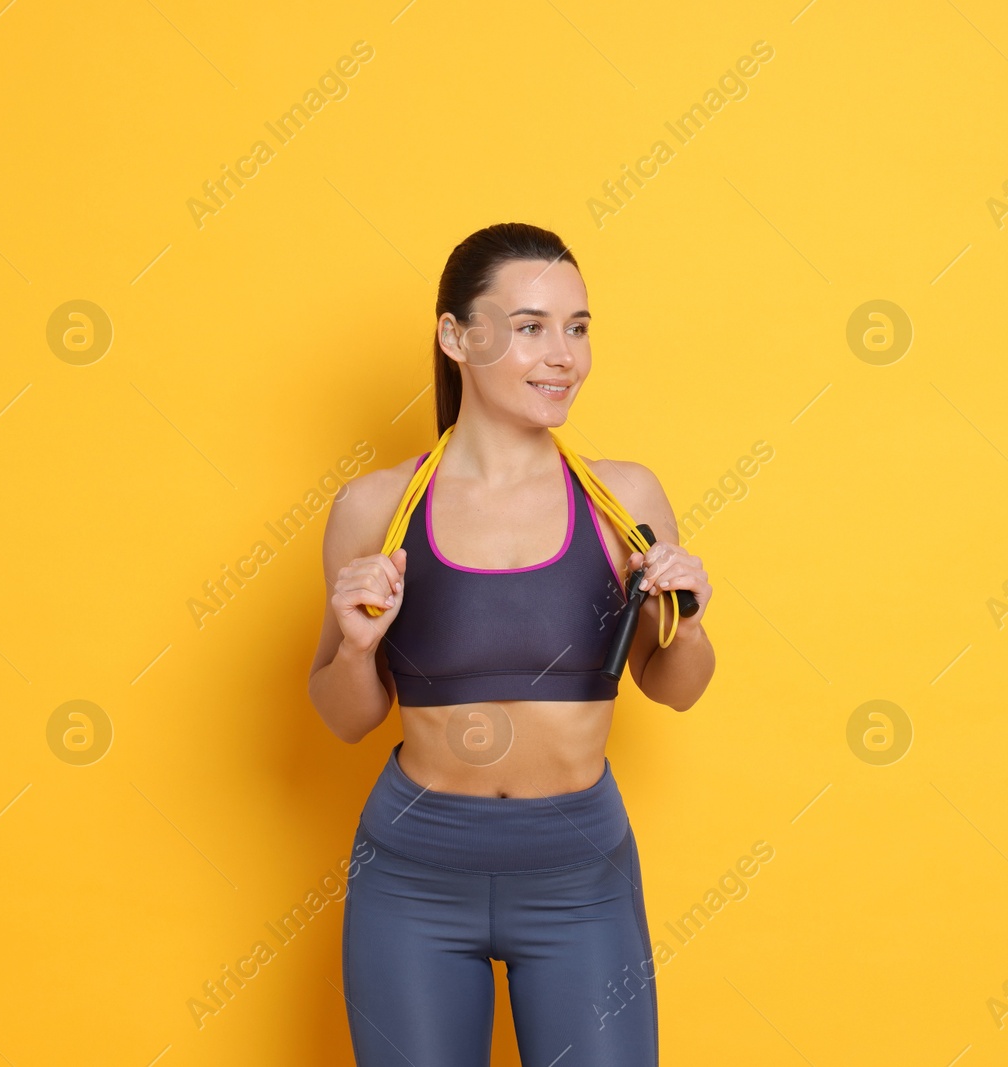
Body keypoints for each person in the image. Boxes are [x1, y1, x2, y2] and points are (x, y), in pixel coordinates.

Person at [307, 222, 715, 1066]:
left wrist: (687, 615)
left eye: (578, 326)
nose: (563, 354)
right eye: (530, 327)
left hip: (579, 879)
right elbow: (346, 718)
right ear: (455, 337)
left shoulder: (622, 497)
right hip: (412, 878)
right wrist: (355, 648)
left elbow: (676, 685)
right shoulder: (373, 508)